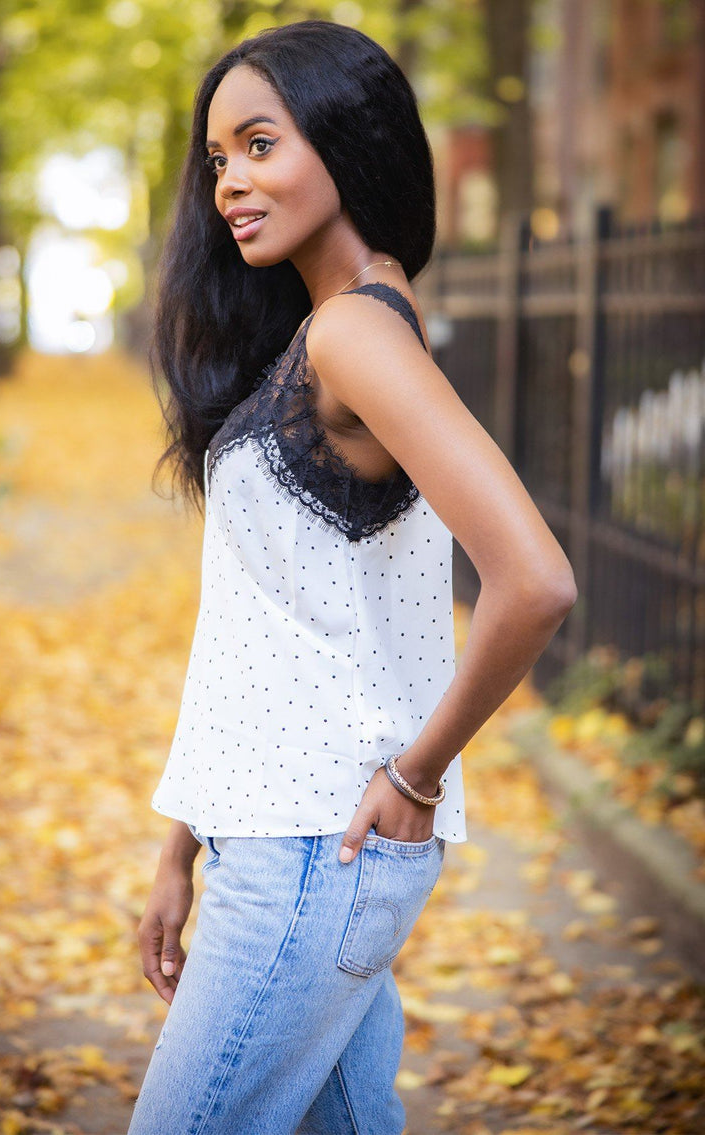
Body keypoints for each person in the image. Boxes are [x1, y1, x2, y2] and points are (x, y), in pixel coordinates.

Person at [128, 18, 577, 1135]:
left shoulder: (352, 337)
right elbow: (264, 624)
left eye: (259, 143)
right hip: (283, 842)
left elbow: (532, 580)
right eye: (217, 157)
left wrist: (418, 776)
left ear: (346, 140)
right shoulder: (332, 329)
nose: (229, 179)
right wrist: (184, 836)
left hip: (306, 858)